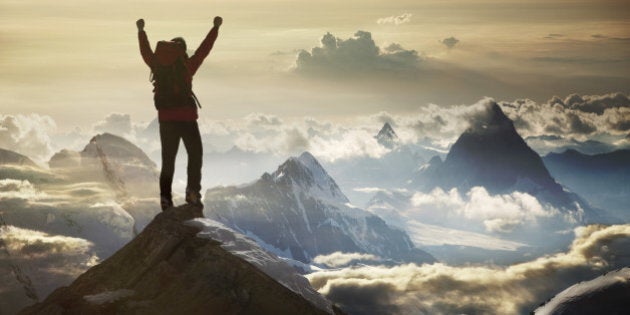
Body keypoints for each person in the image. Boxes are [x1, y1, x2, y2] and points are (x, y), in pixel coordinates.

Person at [136, 16, 222, 210]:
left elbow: (145, 51)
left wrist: (141, 31)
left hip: (166, 120)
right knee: (195, 155)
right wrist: (215, 28)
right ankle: (192, 195)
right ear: (182, 52)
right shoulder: (187, 67)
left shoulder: (157, 65)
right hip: (187, 119)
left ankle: (165, 199)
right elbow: (204, 49)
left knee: (168, 160)